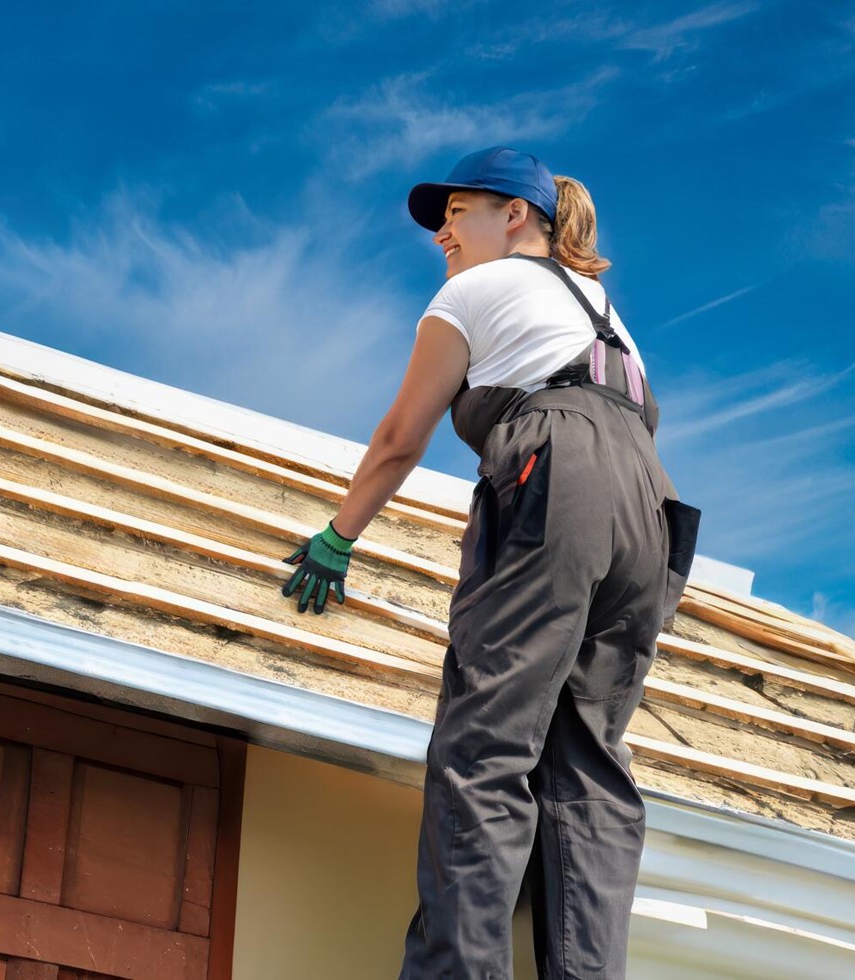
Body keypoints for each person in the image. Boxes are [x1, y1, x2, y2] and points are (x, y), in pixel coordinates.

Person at [280, 146, 699, 978]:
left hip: (561, 477)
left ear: (516, 215)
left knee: (486, 745)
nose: (441, 234)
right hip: (649, 511)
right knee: (587, 762)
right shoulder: (606, 313)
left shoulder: (472, 290)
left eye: (455, 213)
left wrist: (338, 536)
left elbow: (403, 435)